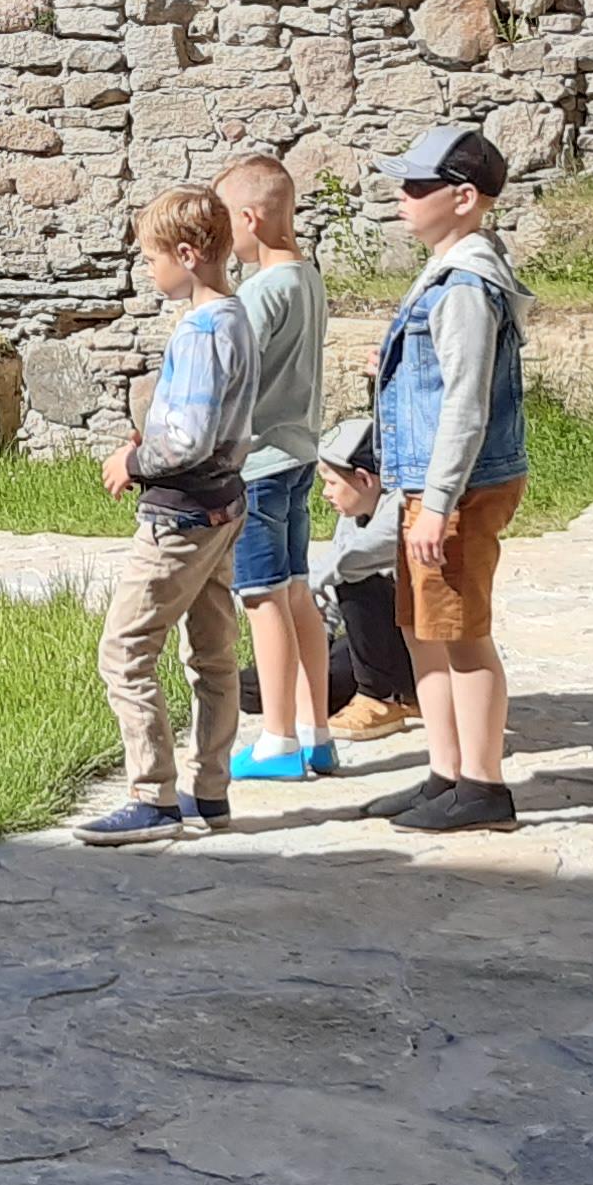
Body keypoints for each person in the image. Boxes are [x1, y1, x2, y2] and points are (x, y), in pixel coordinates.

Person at [362, 125, 532, 835]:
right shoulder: (446, 269)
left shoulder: (466, 285)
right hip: (432, 486)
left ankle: (484, 785)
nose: (402, 196)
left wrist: (438, 504)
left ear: (463, 198)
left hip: (459, 489)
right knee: (423, 628)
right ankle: (446, 771)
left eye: (418, 185)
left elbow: (466, 401)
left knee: (461, 633)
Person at [81, 184, 255, 844]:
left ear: (186, 255)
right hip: (223, 505)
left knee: (124, 651)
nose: (148, 270)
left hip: (179, 516)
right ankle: (210, 790)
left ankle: (152, 795)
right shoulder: (237, 318)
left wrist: (135, 460)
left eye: (152, 258)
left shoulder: (202, 331)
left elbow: (187, 440)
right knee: (213, 654)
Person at [220, 152, 336, 783]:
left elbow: (234, 376)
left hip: (259, 463)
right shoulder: (308, 278)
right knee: (296, 590)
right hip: (299, 455)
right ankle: (318, 733)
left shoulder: (259, 293)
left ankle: (277, 738)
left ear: (250, 219)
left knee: (261, 596)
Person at [314, 408, 421, 741]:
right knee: (261, 686)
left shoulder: (403, 507)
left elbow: (345, 564)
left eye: (332, 482)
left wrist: (309, 586)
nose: (325, 493)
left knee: (354, 576)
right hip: (386, 642)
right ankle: (377, 692)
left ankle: (379, 699)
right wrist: (316, 642)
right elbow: (328, 596)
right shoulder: (354, 512)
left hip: (423, 648)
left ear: (364, 479)